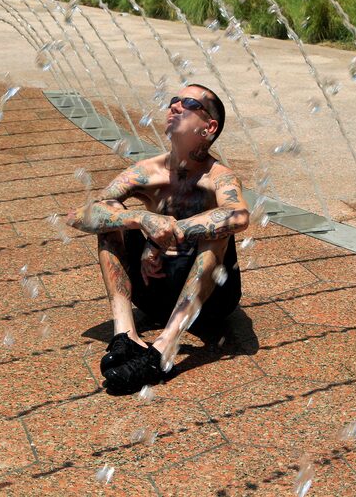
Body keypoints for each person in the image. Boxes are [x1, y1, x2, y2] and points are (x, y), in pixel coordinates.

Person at [66, 84, 249, 392]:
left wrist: (169, 232)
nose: (174, 106)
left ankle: (165, 348)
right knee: (110, 212)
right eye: (172, 101)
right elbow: (78, 216)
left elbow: (239, 216)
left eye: (188, 103)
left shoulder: (220, 176)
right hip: (153, 292)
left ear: (209, 126)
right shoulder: (145, 172)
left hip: (210, 302)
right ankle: (125, 334)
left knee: (220, 229)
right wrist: (142, 219)